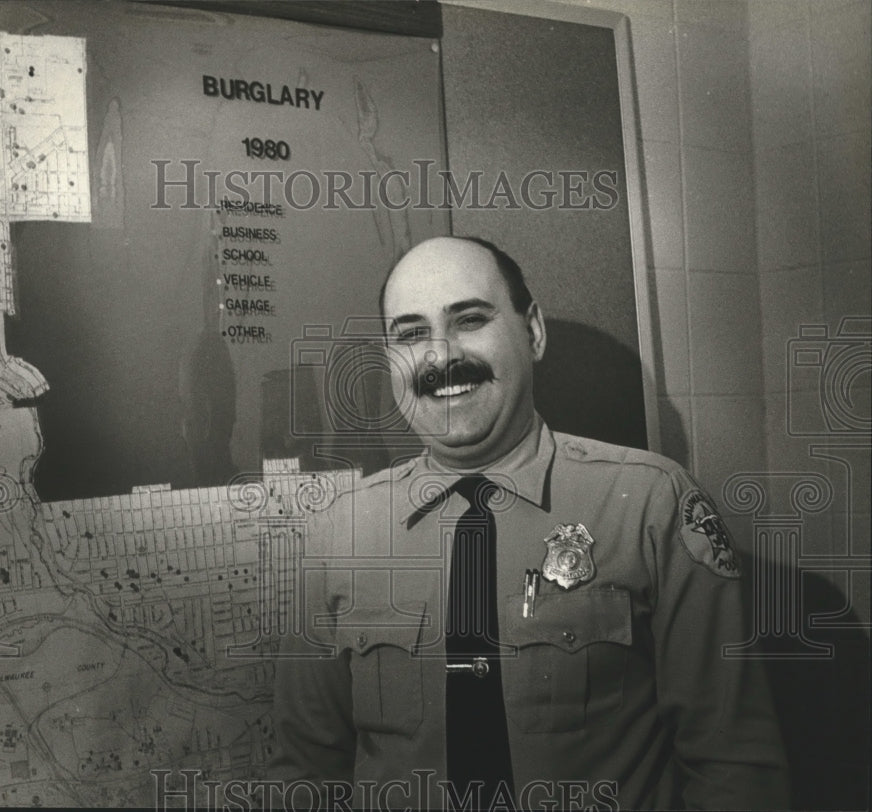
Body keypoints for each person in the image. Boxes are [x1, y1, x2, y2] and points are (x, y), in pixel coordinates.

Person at [270, 236, 788, 810]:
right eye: (412, 333)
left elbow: (735, 766)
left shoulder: (651, 504)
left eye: (469, 319)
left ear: (533, 331)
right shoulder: (338, 535)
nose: (440, 357)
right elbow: (307, 772)